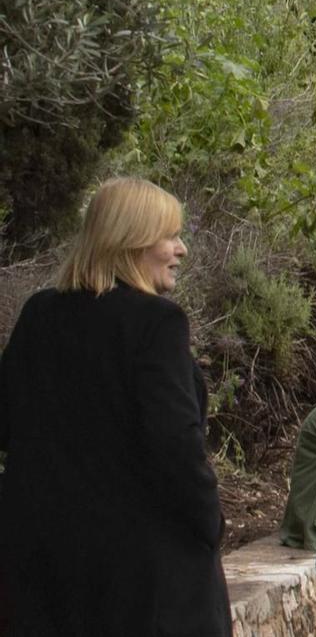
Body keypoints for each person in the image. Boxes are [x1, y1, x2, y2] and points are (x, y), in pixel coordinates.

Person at [0, 177, 230, 635]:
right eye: (171, 236)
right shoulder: (156, 323)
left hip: (42, 572)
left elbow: (6, 425)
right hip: (143, 581)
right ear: (133, 241)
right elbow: (176, 447)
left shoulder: (39, 314)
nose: (181, 249)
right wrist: (211, 524)